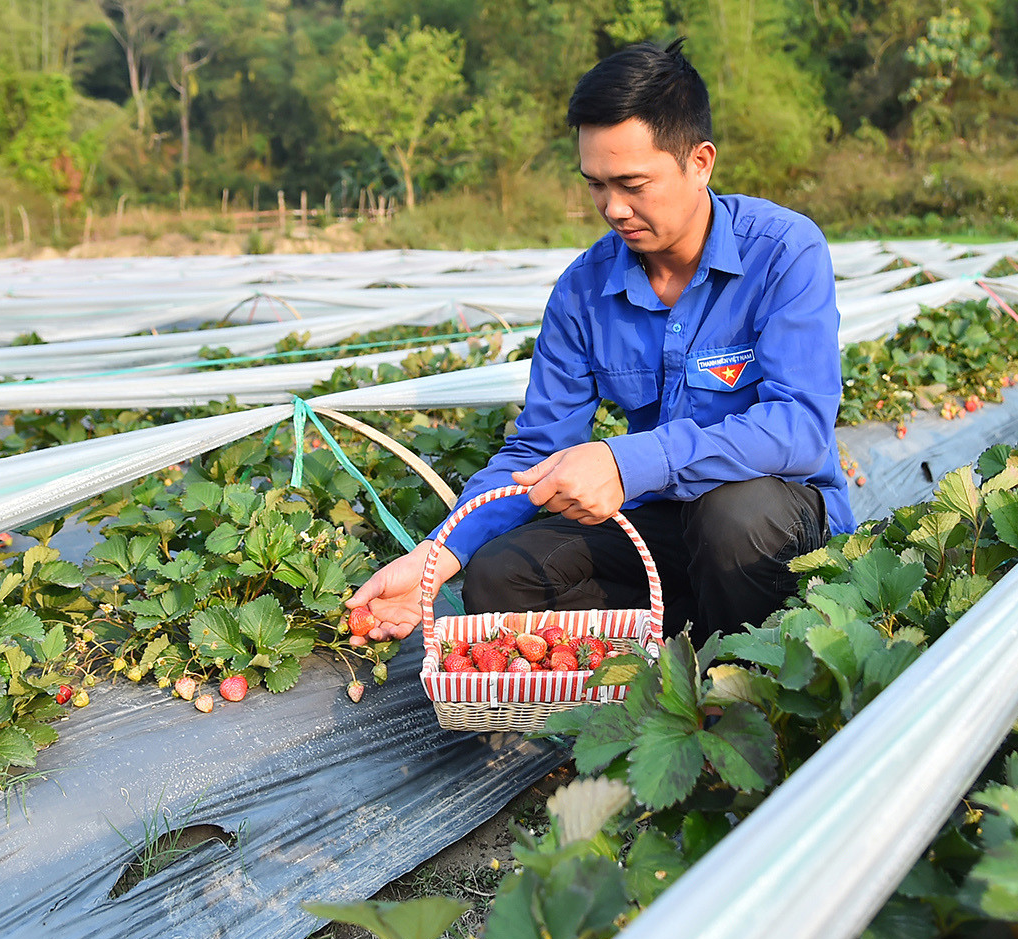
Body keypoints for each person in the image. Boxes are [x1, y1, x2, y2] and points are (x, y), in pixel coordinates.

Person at [345, 39, 847, 645]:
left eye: (633, 183)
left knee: (731, 519)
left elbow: (798, 428)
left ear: (700, 162)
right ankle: (654, 669)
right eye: (596, 185)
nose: (613, 208)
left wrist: (625, 461)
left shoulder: (784, 251)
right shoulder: (584, 290)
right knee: (503, 577)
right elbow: (536, 449)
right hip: (663, 522)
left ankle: (752, 691)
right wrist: (436, 558)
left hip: (770, 523)